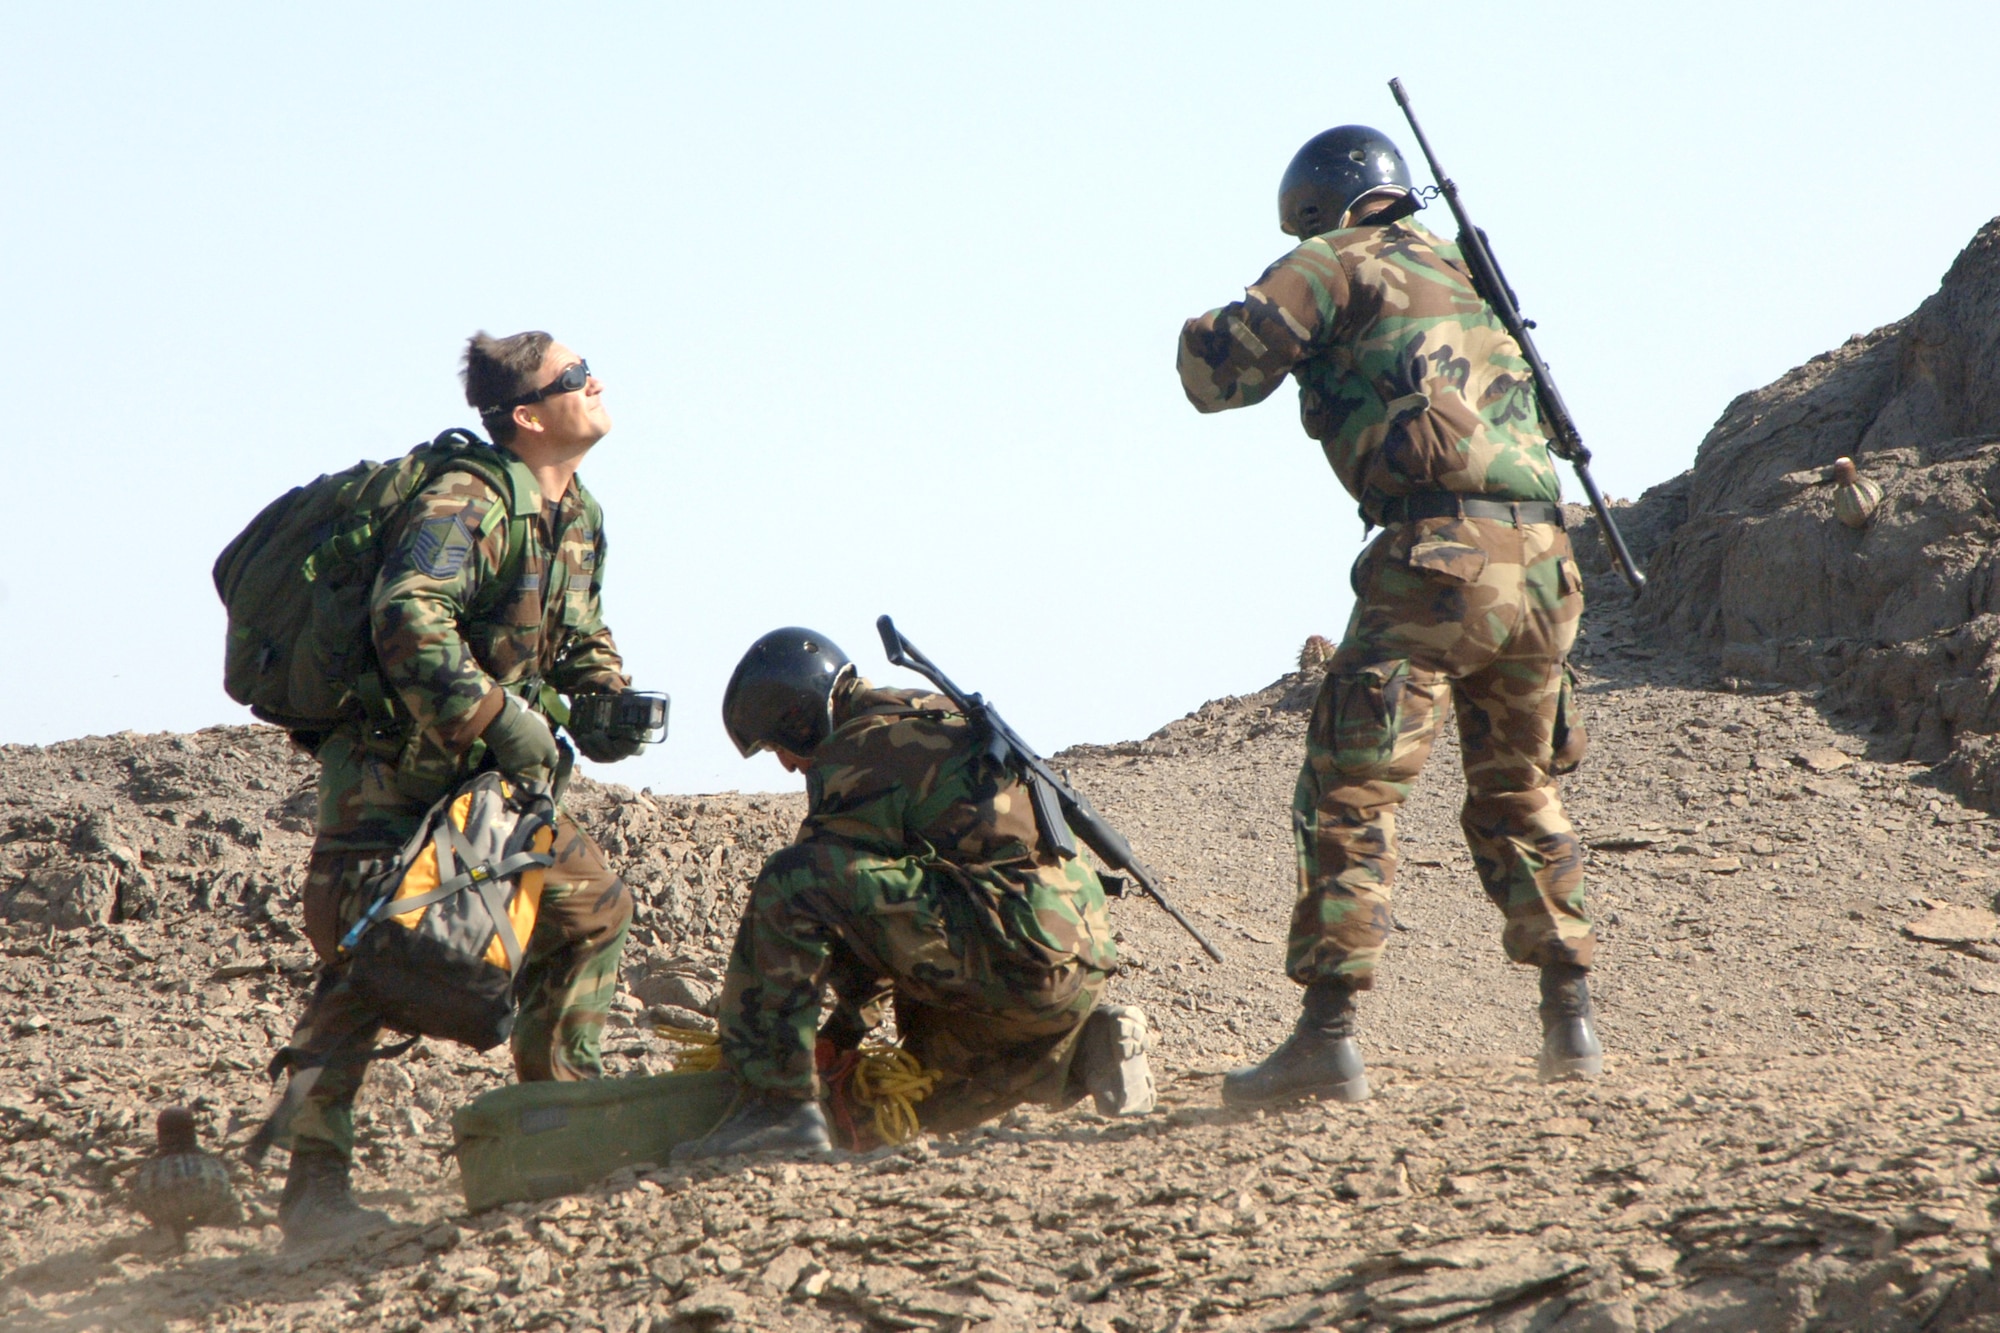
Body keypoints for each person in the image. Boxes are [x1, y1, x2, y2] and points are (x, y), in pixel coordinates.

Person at [1175, 126, 1601, 1107]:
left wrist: (1205, 324)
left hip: (1436, 560)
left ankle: (1325, 1038)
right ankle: (1568, 1022)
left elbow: (1219, 377)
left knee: (1348, 785)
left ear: (1317, 206)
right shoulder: (1463, 274)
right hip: (1546, 566)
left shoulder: (1332, 263)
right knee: (1516, 790)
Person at [264, 331, 646, 1243]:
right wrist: (501, 718)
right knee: (372, 962)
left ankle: (560, 1122)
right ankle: (313, 1187)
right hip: (392, 783)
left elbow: (580, 631)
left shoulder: (578, 512)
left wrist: (605, 702)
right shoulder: (467, 498)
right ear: (527, 414)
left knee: (592, 910)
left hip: (494, 797)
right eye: (574, 377)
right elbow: (407, 614)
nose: (596, 383)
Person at [675, 628, 1155, 1159]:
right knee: (901, 1104)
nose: (787, 764)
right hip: (1063, 965)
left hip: (1004, 944)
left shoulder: (860, 750)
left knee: (792, 879)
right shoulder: (926, 712)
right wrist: (845, 1033)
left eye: (781, 745)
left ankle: (775, 1108)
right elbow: (875, 919)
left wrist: (790, 1045)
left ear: (803, 717)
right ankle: (1084, 1050)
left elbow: (823, 908)